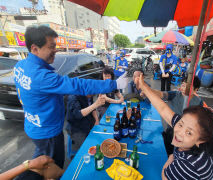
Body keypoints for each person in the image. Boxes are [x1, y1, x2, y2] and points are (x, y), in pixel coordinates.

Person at [13, 25, 128, 168]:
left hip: (33, 125)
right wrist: (113, 84)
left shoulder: (20, 65)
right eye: (51, 47)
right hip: (48, 132)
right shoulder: (42, 77)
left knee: (40, 164)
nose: (55, 50)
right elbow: (78, 85)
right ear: (35, 49)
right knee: (51, 169)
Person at [135, 74, 213, 180]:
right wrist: (144, 86)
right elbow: (162, 108)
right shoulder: (178, 98)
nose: (179, 132)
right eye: (180, 124)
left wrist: (171, 158)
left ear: (201, 140)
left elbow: (165, 177)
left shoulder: (188, 165)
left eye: (189, 132)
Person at [151, 76, 203, 155]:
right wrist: (148, 90)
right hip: (171, 130)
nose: (184, 88)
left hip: (185, 135)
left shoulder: (198, 102)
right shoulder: (175, 94)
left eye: (188, 86)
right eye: (183, 85)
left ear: (196, 90)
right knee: (168, 152)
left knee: (180, 154)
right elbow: (162, 94)